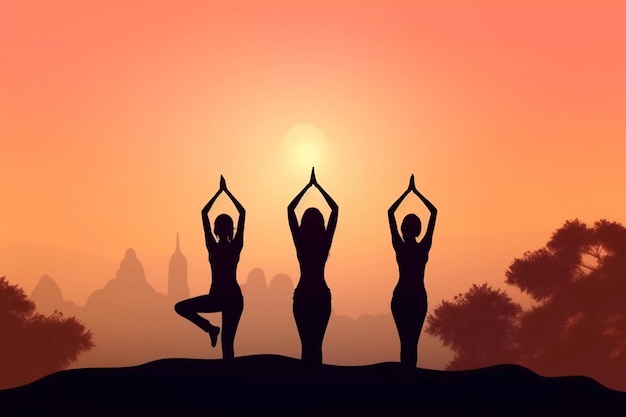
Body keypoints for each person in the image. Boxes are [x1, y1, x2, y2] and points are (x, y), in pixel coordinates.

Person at [175, 175, 245, 360]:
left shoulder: (215, 246)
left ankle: (210, 328)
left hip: (226, 298)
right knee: (227, 346)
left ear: (215, 230)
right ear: (231, 229)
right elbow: (242, 213)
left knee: (181, 308)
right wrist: (226, 193)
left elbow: (204, 214)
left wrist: (220, 193)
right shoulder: (234, 245)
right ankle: (210, 328)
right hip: (227, 297)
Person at [288, 167, 338, 366]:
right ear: (321, 223)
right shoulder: (324, 243)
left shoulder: (301, 242)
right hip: (320, 295)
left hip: (303, 295)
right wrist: (318, 187)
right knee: (317, 346)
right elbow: (335, 210)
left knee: (306, 347)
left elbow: (290, 210)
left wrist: (307, 187)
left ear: (303, 223)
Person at [388, 174, 437, 368]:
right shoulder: (423, 246)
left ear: (402, 229)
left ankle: (405, 378)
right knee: (412, 343)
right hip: (417, 296)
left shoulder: (399, 245)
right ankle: (411, 377)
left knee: (404, 343)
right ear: (418, 229)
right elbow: (434, 212)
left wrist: (407, 193)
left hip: (401, 296)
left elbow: (390, 212)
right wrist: (416, 193)